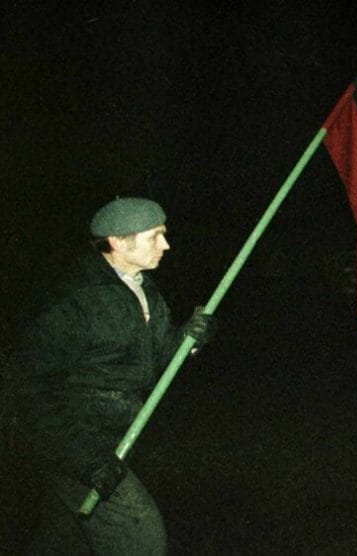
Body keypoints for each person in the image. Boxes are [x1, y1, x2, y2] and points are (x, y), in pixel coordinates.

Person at [6, 197, 215, 554]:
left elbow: (155, 363)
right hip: (78, 445)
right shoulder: (73, 301)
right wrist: (85, 460)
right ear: (119, 241)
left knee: (65, 541)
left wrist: (187, 340)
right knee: (140, 535)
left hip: (119, 440)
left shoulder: (144, 288)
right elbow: (26, 391)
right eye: (155, 236)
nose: (166, 245)